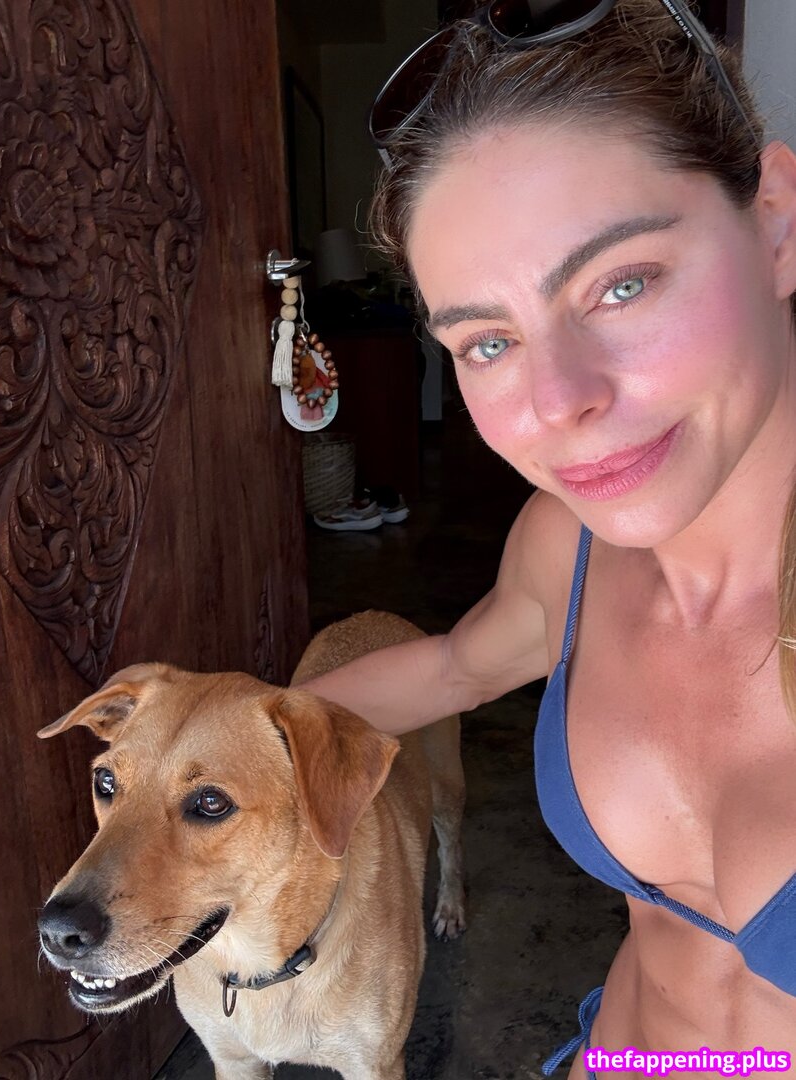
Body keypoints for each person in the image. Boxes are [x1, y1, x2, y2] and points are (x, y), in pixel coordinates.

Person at [299, 1, 796, 1075]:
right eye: (487, 342)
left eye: (622, 284)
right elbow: (454, 668)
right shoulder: (570, 544)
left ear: (774, 225)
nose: (558, 401)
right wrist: (223, 734)